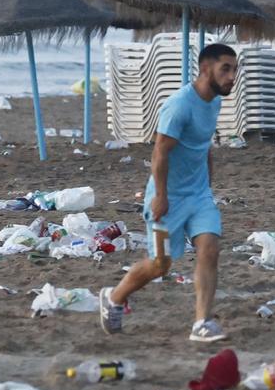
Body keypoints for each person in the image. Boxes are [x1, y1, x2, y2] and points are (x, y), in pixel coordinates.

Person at [101, 42, 237, 344]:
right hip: (167, 199)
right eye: (225, 69)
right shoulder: (179, 105)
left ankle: (202, 323)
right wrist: (161, 196)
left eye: (235, 69)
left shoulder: (214, 102)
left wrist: (208, 187)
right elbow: (160, 152)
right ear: (205, 69)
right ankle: (114, 297)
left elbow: (204, 145)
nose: (232, 76)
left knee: (210, 249)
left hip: (199, 196)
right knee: (160, 264)